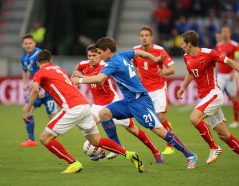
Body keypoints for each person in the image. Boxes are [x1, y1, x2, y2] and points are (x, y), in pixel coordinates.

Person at [72, 37, 197, 169]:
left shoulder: (112, 63)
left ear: (107, 50)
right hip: (128, 101)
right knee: (104, 114)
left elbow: (100, 79)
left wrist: (79, 81)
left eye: (100, 52)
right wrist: (153, 58)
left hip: (140, 102)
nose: (99, 55)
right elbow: (138, 53)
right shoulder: (121, 55)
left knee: (159, 131)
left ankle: (189, 155)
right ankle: (117, 147)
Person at [22, 49, 145, 174]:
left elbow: (35, 90)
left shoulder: (40, 72)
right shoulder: (58, 69)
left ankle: (73, 163)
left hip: (72, 108)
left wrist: (27, 110)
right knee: (96, 141)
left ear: (38, 63)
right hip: (84, 105)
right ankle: (128, 154)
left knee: (45, 139)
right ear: (50, 60)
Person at [176, 30, 239, 172]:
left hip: (214, 94)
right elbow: (191, 73)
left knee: (194, 118)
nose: (181, 45)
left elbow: (230, 61)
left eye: (183, 43)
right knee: (224, 135)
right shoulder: (186, 57)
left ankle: (213, 147)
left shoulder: (209, 53)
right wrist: (183, 87)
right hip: (205, 98)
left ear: (189, 44)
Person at [72, 44, 163, 163]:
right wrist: (76, 75)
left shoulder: (106, 65)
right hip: (97, 105)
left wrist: (81, 77)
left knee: (133, 129)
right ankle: (104, 150)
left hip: (112, 101)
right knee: (90, 124)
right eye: (89, 55)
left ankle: (155, 151)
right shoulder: (84, 64)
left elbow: (100, 80)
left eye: (95, 55)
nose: (92, 58)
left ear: (100, 55)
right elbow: (75, 71)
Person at [132, 26, 176, 155]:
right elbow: (135, 65)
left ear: (151, 37)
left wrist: (163, 72)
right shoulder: (135, 50)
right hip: (144, 89)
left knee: (160, 116)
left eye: (146, 35)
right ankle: (167, 126)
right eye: (142, 35)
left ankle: (170, 146)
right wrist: (139, 75)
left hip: (158, 88)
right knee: (151, 119)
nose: (144, 38)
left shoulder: (159, 50)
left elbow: (172, 69)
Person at [20, 34, 58, 147]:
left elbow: (47, 70)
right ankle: (31, 139)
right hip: (36, 89)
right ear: (23, 45)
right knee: (26, 111)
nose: (28, 45)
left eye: (30, 43)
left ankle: (52, 138)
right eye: (26, 43)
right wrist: (25, 83)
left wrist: (42, 88)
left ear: (34, 43)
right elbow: (25, 70)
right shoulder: (24, 57)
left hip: (47, 91)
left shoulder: (40, 54)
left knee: (53, 117)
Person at [215, 25, 239, 128]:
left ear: (230, 33)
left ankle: (236, 121)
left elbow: (238, 59)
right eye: (223, 32)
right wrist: (215, 73)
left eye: (227, 32)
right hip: (221, 75)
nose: (225, 33)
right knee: (216, 96)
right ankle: (217, 119)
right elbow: (217, 60)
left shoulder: (235, 45)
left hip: (231, 75)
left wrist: (234, 72)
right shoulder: (218, 45)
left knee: (234, 97)